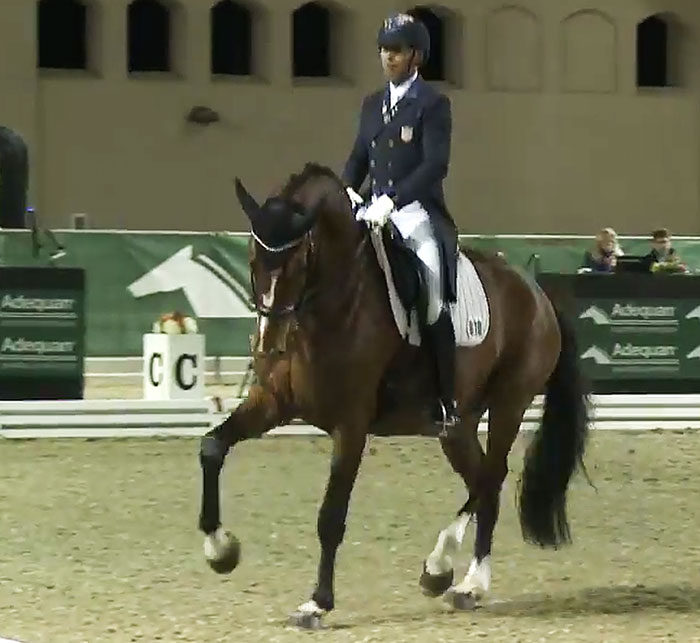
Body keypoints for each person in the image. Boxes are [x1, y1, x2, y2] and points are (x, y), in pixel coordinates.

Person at [341, 12, 460, 431]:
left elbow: (435, 165)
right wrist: (347, 190)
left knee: (432, 292)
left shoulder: (432, 104)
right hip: (372, 211)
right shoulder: (372, 104)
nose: (387, 57)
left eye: (396, 50)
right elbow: (359, 157)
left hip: (415, 213)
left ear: (416, 56)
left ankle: (446, 398)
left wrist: (392, 199)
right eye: (383, 50)